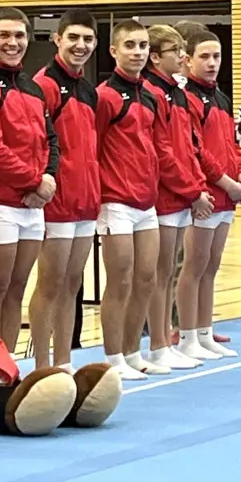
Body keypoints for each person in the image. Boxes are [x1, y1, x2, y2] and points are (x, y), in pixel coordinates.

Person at [0, 8, 54, 349]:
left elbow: (51, 139)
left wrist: (47, 179)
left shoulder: (33, 88)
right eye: (4, 36)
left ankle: (7, 367)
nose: (13, 43)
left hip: (32, 206)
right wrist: (34, 182)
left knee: (17, 288)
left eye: (19, 36)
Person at [143, 24, 218, 368]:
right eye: (176, 51)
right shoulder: (154, 93)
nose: (182, 56)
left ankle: (167, 340)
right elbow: (162, 152)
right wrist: (192, 190)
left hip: (179, 195)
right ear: (156, 57)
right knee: (159, 273)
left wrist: (197, 185)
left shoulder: (173, 92)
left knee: (167, 274)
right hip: (163, 194)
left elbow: (189, 147)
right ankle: (158, 343)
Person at [30, 9, 100, 371]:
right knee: (50, 284)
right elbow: (39, 143)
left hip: (86, 203)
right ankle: (41, 363)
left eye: (88, 39)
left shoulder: (88, 89)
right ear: (57, 39)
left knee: (73, 285)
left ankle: (64, 361)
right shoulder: (44, 85)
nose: (81, 45)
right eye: (73, 37)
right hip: (56, 204)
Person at [94, 20, 162, 377]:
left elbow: (152, 147)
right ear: (114, 51)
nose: (138, 52)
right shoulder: (105, 96)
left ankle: (134, 351)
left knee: (146, 278)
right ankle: (112, 356)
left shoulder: (148, 94)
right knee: (120, 278)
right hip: (116, 200)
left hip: (145, 201)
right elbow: (94, 146)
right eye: (130, 46)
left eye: (143, 46)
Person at [177, 28, 241, 356]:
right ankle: (188, 335)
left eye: (216, 56)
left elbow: (231, 145)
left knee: (212, 265)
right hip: (207, 194)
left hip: (227, 195)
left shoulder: (220, 97)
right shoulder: (187, 99)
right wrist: (225, 183)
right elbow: (196, 151)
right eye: (204, 57)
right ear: (187, 60)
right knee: (194, 265)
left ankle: (205, 331)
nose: (212, 63)